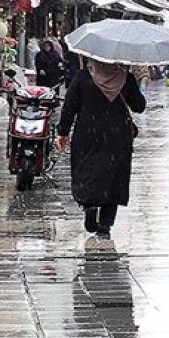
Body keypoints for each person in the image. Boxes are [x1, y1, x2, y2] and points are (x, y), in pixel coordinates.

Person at [56, 59, 146, 236]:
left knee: (87, 170)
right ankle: (105, 223)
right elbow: (139, 107)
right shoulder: (125, 78)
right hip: (117, 136)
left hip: (87, 134)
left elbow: (69, 106)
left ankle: (89, 205)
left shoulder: (82, 77)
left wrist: (63, 132)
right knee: (114, 177)